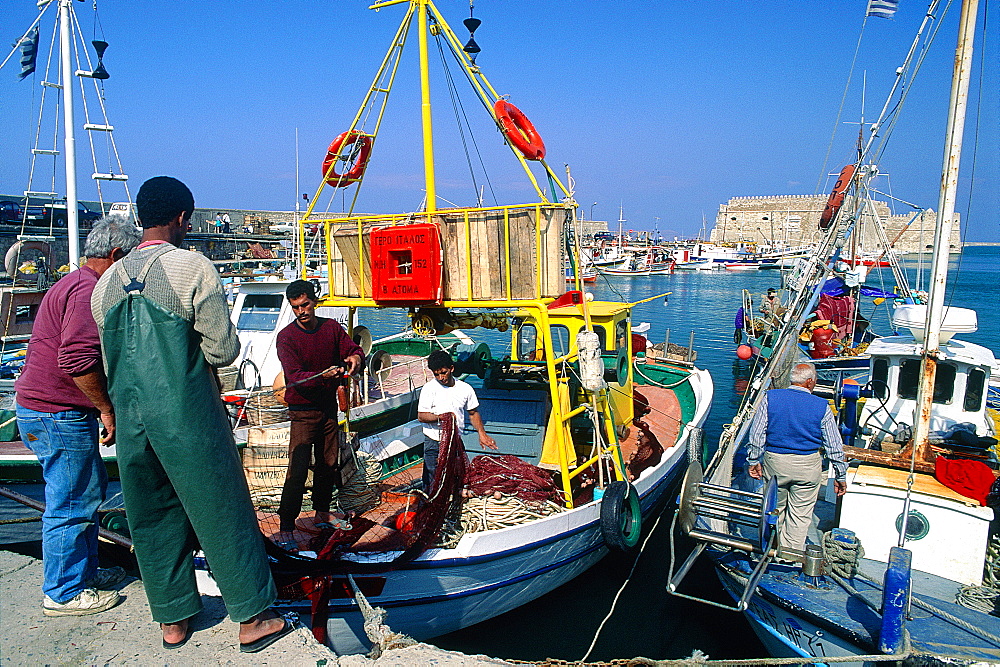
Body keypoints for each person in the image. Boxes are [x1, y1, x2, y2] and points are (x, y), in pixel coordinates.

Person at [91, 177, 292, 652]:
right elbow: (222, 351)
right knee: (222, 509)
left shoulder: (106, 284)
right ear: (182, 218)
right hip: (187, 415)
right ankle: (252, 618)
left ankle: (174, 621)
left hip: (132, 422)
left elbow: (107, 356)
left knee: (151, 516)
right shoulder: (193, 268)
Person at [14, 215, 141, 616]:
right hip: (56, 413)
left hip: (47, 409)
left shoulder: (71, 281)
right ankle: (64, 591)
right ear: (117, 254)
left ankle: (81, 573)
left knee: (85, 492)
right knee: (71, 501)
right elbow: (76, 358)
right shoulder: (89, 291)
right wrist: (106, 408)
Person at [275, 279, 363, 540]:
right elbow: (294, 375)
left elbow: (353, 348)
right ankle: (287, 527)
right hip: (302, 412)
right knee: (298, 468)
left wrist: (356, 358)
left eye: (305, 305)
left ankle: (321, 513)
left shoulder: (332, 328)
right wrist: (325, 375)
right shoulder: (286, 338)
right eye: (296, 308)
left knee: (328, 463)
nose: (302, 312)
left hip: (328, 407)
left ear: (314, 302)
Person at [746, 363, 847, 557]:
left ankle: (769, 548)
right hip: (808, 465)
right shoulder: (822, 406)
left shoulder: (771, 398)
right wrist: (840, 475)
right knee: (800, 515)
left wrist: (753, 460)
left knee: (774, 508)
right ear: (809, 382)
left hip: (776, 463)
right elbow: (834, 445)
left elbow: (757, 434)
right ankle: (790, 555)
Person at [417, 350, 496, 495]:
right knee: (431, 481)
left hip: (455, 441)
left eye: (443, 372)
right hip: (433, 442)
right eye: (436, 374)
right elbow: (422, 416)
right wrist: (441, 417)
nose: (441, 378)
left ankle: (452, 504)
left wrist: (482, 434)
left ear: (451, 369)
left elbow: (473, 413)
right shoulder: (429, 389)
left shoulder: (465, 389)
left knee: (457, 476)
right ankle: (430, 506)